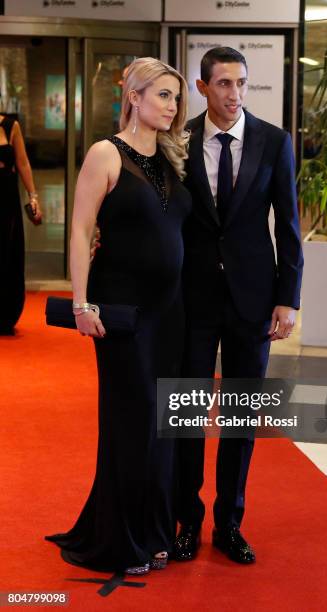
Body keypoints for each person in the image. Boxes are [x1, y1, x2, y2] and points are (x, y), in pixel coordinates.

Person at [45, 57, 191, 575]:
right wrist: (81, 303)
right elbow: (81, 231)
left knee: (161, 426)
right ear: (134, 96)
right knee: (131, 422)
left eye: (176, 98)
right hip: (122, 311)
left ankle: (154, 532)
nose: (173, 108)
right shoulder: (105, 154)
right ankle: (122, 537)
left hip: (171, 312)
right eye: (163, 96)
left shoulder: (173, 158)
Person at [173, 47, 304, 564]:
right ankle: (187, 521)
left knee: (242, 419)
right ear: (202, 88)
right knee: (183, 417)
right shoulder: (177, 142)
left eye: (242, 83)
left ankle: (230, 524)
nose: (234, 94)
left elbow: (289, 228)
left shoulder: (275, 141)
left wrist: (287, 300)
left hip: (254, 300)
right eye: (223, 84)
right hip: (192, 298)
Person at [0, 114, 42, 335]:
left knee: (6, 253)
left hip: (6, 197)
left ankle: (5, 315)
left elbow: (22, 162)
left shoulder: (9, 125)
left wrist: (33, 196)